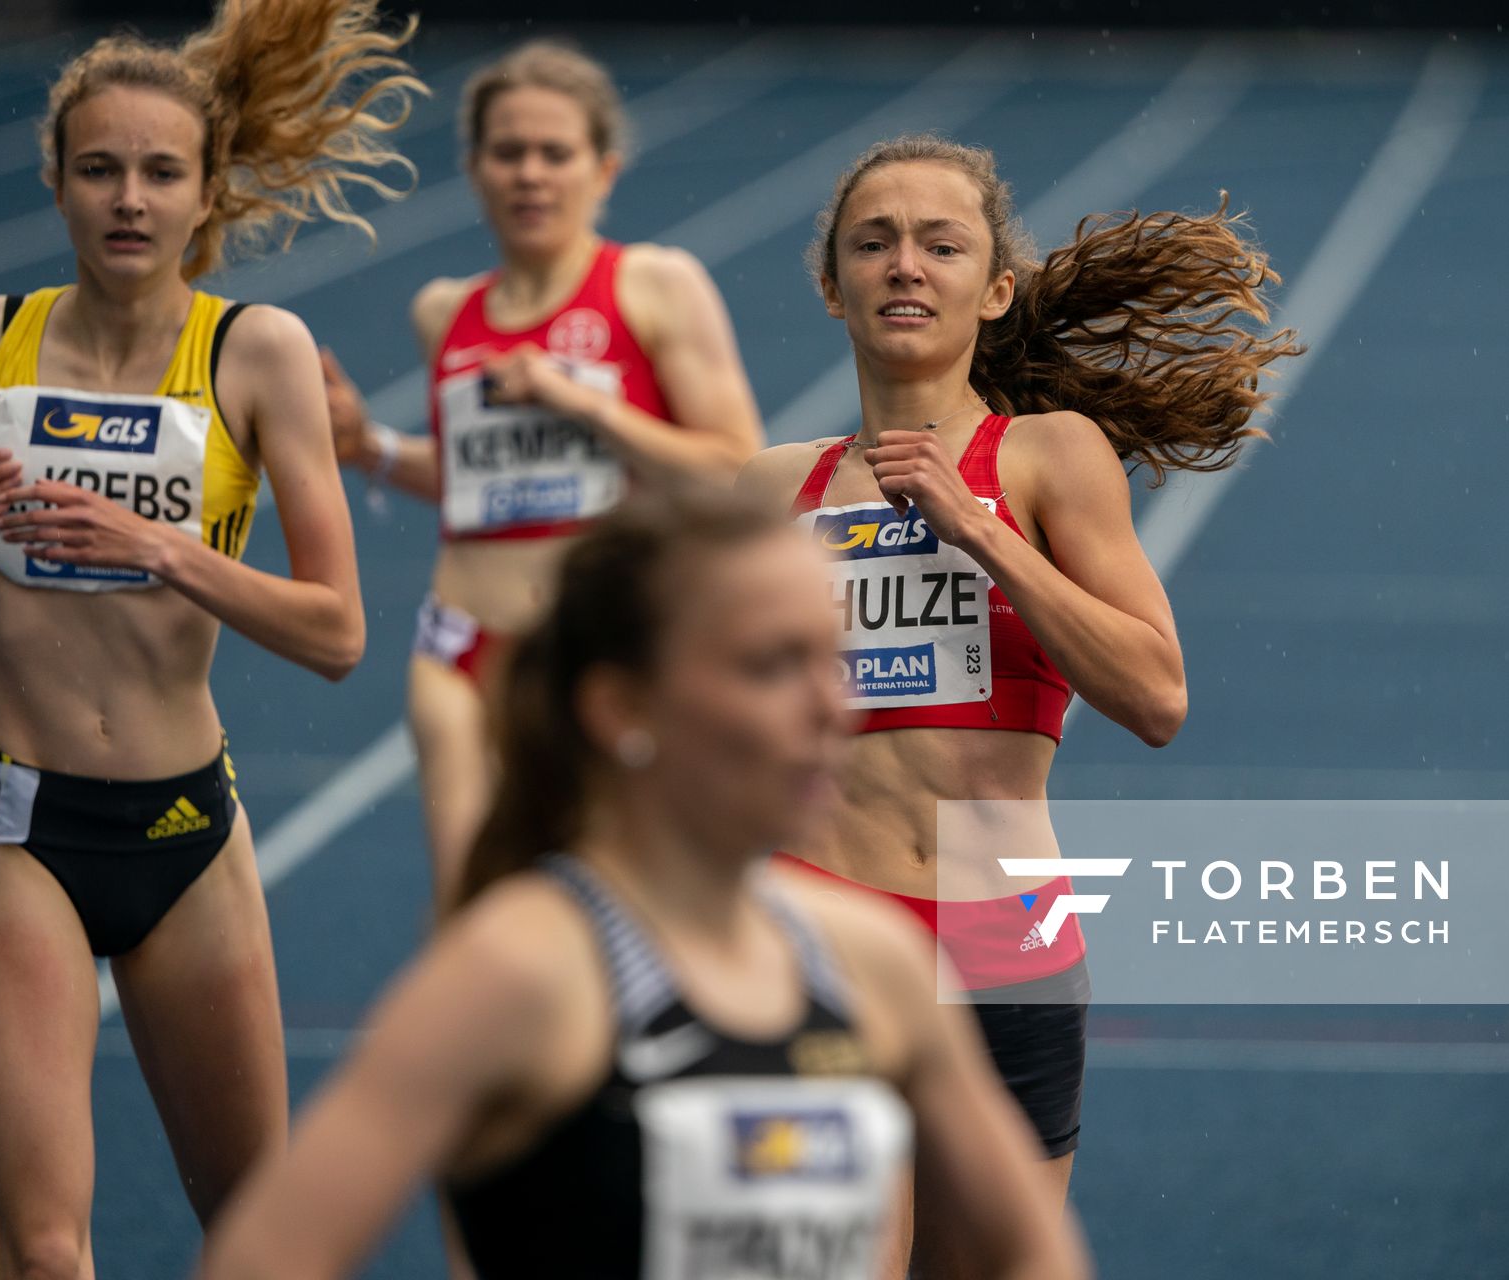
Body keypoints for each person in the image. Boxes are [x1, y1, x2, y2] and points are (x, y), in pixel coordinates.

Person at [198, 488, 1092, 1280]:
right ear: (621, 706)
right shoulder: (520, 972)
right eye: (770, 666)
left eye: (830, 659)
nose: (833, 705)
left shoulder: (869, 966)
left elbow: (1034, 1253)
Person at [736, 133, 1301, 1270]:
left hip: (1003, 938)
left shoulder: (1048, 457)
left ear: (994, 290)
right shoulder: (763, 487)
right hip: (816, 924)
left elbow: (1155, 694)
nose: (906, 265)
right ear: (831, 284)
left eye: (941, 244)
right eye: (874, 242)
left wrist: (979, 530)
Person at [0, 1, 421, 1274]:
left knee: (262, 1235)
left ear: (205, 190)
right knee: (47, 1246)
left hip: (185, 829)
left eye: (161, 171)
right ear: (54, 181)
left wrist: (161, 544)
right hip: (23, 829)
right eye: (100, 169)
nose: (129, 198)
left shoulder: (254, 350)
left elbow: (338, 634)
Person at [323, 39, 764, 915]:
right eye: (508, 152)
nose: (530, 174)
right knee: (475, 909)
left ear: (602, 170)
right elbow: (479, 486)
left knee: (617, 904)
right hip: (463, 648)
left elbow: (735, 470)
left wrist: (585, 405)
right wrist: (366, 444)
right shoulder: (444, 312)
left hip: (598, 644)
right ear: (476, 168)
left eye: (554, 153)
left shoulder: (654, 285)